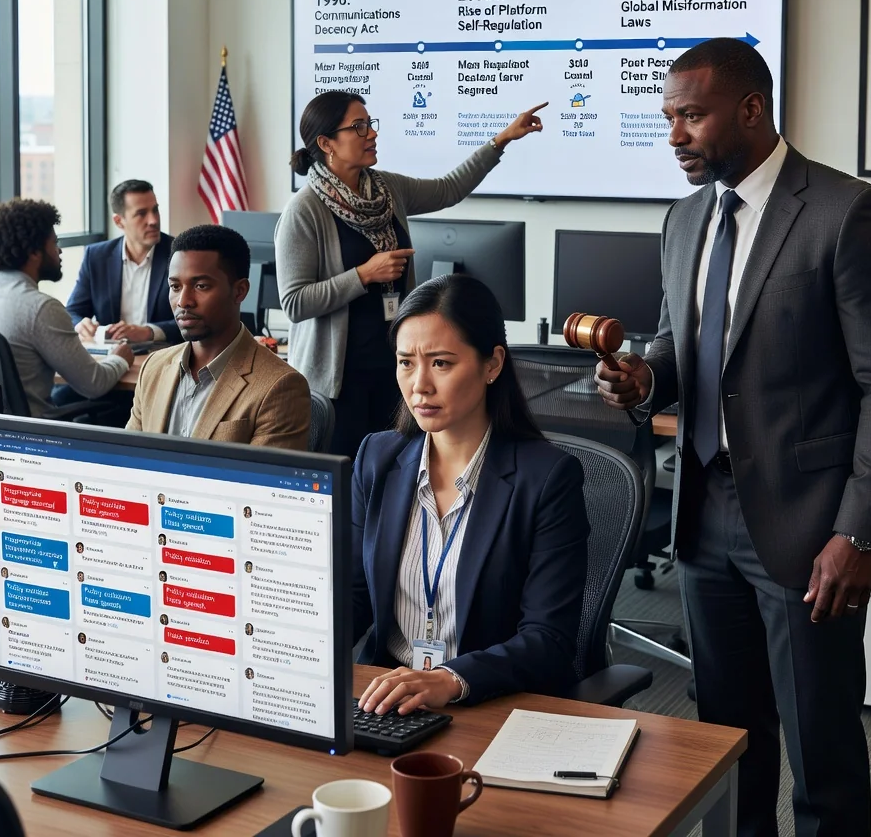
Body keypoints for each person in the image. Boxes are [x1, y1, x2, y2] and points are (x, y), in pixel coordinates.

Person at [594, 38, 871, 836]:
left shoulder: (848, 212)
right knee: (726, 743)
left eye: (692, 115)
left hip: (809, 524)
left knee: (822, 752)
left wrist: (860, 531)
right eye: (668, 116)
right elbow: (680, 347)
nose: (675, 134)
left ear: (751, 109)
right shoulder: (682, 220)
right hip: (701, 516)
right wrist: (644, 381)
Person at [354, 274, 588, 715]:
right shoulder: (377, 458)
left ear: (492, 364)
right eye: (406, 362)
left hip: (491, 703)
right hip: (388, 699)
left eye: (440, 363)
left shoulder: (547, 479)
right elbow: (352, 594)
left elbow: (548, 638)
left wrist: (451, 680)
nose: (419, 384)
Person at [276, 91, 547, 459]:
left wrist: (500, 140)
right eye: (358, 127)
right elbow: (294, 302)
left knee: (396, 473)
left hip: (399, 371)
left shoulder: (387, 190)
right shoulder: (304, 210)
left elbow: (449, 189)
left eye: (370, 124)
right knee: (350, 488)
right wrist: (363, 275)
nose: (371, 134)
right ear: (326, 143)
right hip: (340, 385)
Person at [127, 225, 311, 450]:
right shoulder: (153, 367)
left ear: (240, 291)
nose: (183, 301)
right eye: (175, 286)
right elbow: (129, 460)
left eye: (201, 286)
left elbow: (257, 484)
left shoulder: (280, 387)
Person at [0, 199, 132, 416]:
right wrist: (121, 357)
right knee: (123, 404)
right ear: (34, 252)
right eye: (54, 242)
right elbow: (94, 385)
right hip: (33, 436)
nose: (59, 251)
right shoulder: (42, 308)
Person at [66, 180, 181, 344]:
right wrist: (80, 325)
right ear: (119, 221)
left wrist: (149, 332)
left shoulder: (179, 254)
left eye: (155, 210)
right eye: (141, 213)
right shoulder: (97, 256)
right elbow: (72, 312)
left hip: (164, 358)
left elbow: (196, 319)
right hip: (111, 359)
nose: (153, 220)